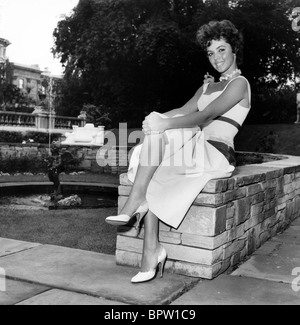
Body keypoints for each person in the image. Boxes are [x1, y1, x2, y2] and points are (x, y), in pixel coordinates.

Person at [106, 20, 251, 284]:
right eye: (210, 52)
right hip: (195, 146)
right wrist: (154, 120)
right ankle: (151, 251)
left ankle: (138, 216)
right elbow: (183, 111)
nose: (216, 58)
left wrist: (164, 124)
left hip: (217, 153)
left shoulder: (240, 84)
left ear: (234, 50)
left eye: (221, 49)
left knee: (157, 149)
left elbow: (206, 114)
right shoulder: (206, 86)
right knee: (152, 163)